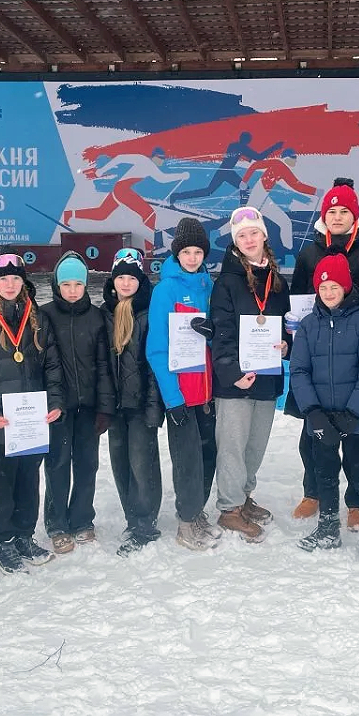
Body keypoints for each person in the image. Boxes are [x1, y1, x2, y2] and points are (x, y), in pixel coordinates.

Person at [0, 248, 66, 574]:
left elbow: (53, 367)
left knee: (28, 483)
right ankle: (3, 542)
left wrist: (55, 402)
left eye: (15, 279)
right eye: (3, 279)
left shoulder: (38, 319)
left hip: (31, 422)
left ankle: (24, 535)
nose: (9, 285)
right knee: (1, 487)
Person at [287, 179, 359, 529]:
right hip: (316, 356)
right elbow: (297, 305)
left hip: (354, 356)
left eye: (344, 212)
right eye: (331, 212)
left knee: (357, 437)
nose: (337, 217)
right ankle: (314, 493)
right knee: (314, 431)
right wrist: (290, 339)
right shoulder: (310, 253)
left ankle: (355, 500)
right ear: (323, 216)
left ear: (354, 217)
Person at [289, 253, 359, 565]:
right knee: (324, 473)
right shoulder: (307, 325)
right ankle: (328, 528)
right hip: (322, 417)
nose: (328, 292)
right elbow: (299, 371)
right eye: (323, 287)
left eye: (334, 286)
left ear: (345, 287)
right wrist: (313, 412)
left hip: (358, 417)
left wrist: (354, 413)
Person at [210, 206, 291, 542]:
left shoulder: (277, 282)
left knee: (255, 445)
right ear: (235, 242)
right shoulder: (226, 282)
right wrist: (232, 373)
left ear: (264, 236)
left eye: (253, 233)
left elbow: (285, 327)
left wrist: (286, 344)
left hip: (266, 377)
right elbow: (221, 330)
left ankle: (243, 496)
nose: (248, 239)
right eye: (241, 235)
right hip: (236, 381)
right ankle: (229, 509)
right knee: (232, 445)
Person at [146, 216, 222, 551]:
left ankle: (198, 511)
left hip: (208, 392)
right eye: (186, 252)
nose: (192, 258)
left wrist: (214, 334)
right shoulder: (166, 290)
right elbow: (157, 349)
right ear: (177, 254)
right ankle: (186, 521)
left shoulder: (209, 286)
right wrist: (172, 398)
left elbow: (220, 335)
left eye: (197, 252)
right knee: (187, 459)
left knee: (208, 455)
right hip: (182, 394)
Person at [39, 251, 116, 554]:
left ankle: (82, 518)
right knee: (57, 465)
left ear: (86, 286)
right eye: (66, 283)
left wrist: (104, 407)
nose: (72, 290)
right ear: (57, 285)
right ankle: (56, 523)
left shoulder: (96, 317)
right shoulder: (44, 315)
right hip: (57, 407)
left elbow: (104, 367)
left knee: (86, 465)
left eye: (78, 284)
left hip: (88, 407)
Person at [101, 248, 165, 557]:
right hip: (115, 407)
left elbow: (154, 366)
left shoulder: (149, 313)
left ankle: (146, 522)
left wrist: (154, 406)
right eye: (121, 277)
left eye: (132, 278)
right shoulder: (105, 313)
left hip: (140, 405)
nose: (126, 284)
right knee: (120, 462)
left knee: (143, 464)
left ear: (141, 280)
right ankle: (132, 516)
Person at [173, 132, 283, 202]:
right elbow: (259, 157)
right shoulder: (242, 147)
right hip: (226, 172)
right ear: (247, 141)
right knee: (244, 188)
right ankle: (244, 211)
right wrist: (274, 147)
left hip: (224, 170)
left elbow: (238, 155)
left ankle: (177, 196)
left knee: (208, 191)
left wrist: (246, 156)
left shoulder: (234, 145)